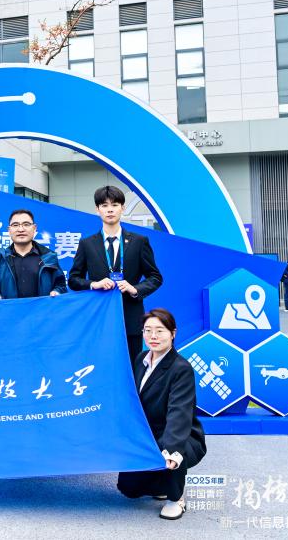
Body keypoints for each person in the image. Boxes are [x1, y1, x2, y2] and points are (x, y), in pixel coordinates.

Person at [117, 308, 206, 521]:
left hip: (180, 435)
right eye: (147, 330)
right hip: (148, 435)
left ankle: (176, 498)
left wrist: (171, 451)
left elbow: (179, 414)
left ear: (173, 333)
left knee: (172, 452)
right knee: (129, 489)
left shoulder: (181, 368)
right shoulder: (141, 359)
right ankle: (160, 484)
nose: (153, 336)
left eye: (159, 330)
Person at [69, 186, 163, 363]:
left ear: (123, 208)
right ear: (97, 210)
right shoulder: (87, 244)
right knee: (101, 366)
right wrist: (93, 284)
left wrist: (134, 289)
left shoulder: (139, 242)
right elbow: (73, 280)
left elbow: (155, 277)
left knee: (132, 368)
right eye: (104, 205)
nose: (110, 210)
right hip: (99, 319)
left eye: (115, 205)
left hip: (130, 319)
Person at [0, 209, 67, 299]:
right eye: (15, 225)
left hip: (43, 308)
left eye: (26, 224)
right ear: (9, 230)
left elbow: (61, 285)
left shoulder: (48, 257)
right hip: (10, 308)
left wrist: (56, 292)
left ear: (34, 228)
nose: (21, 229)